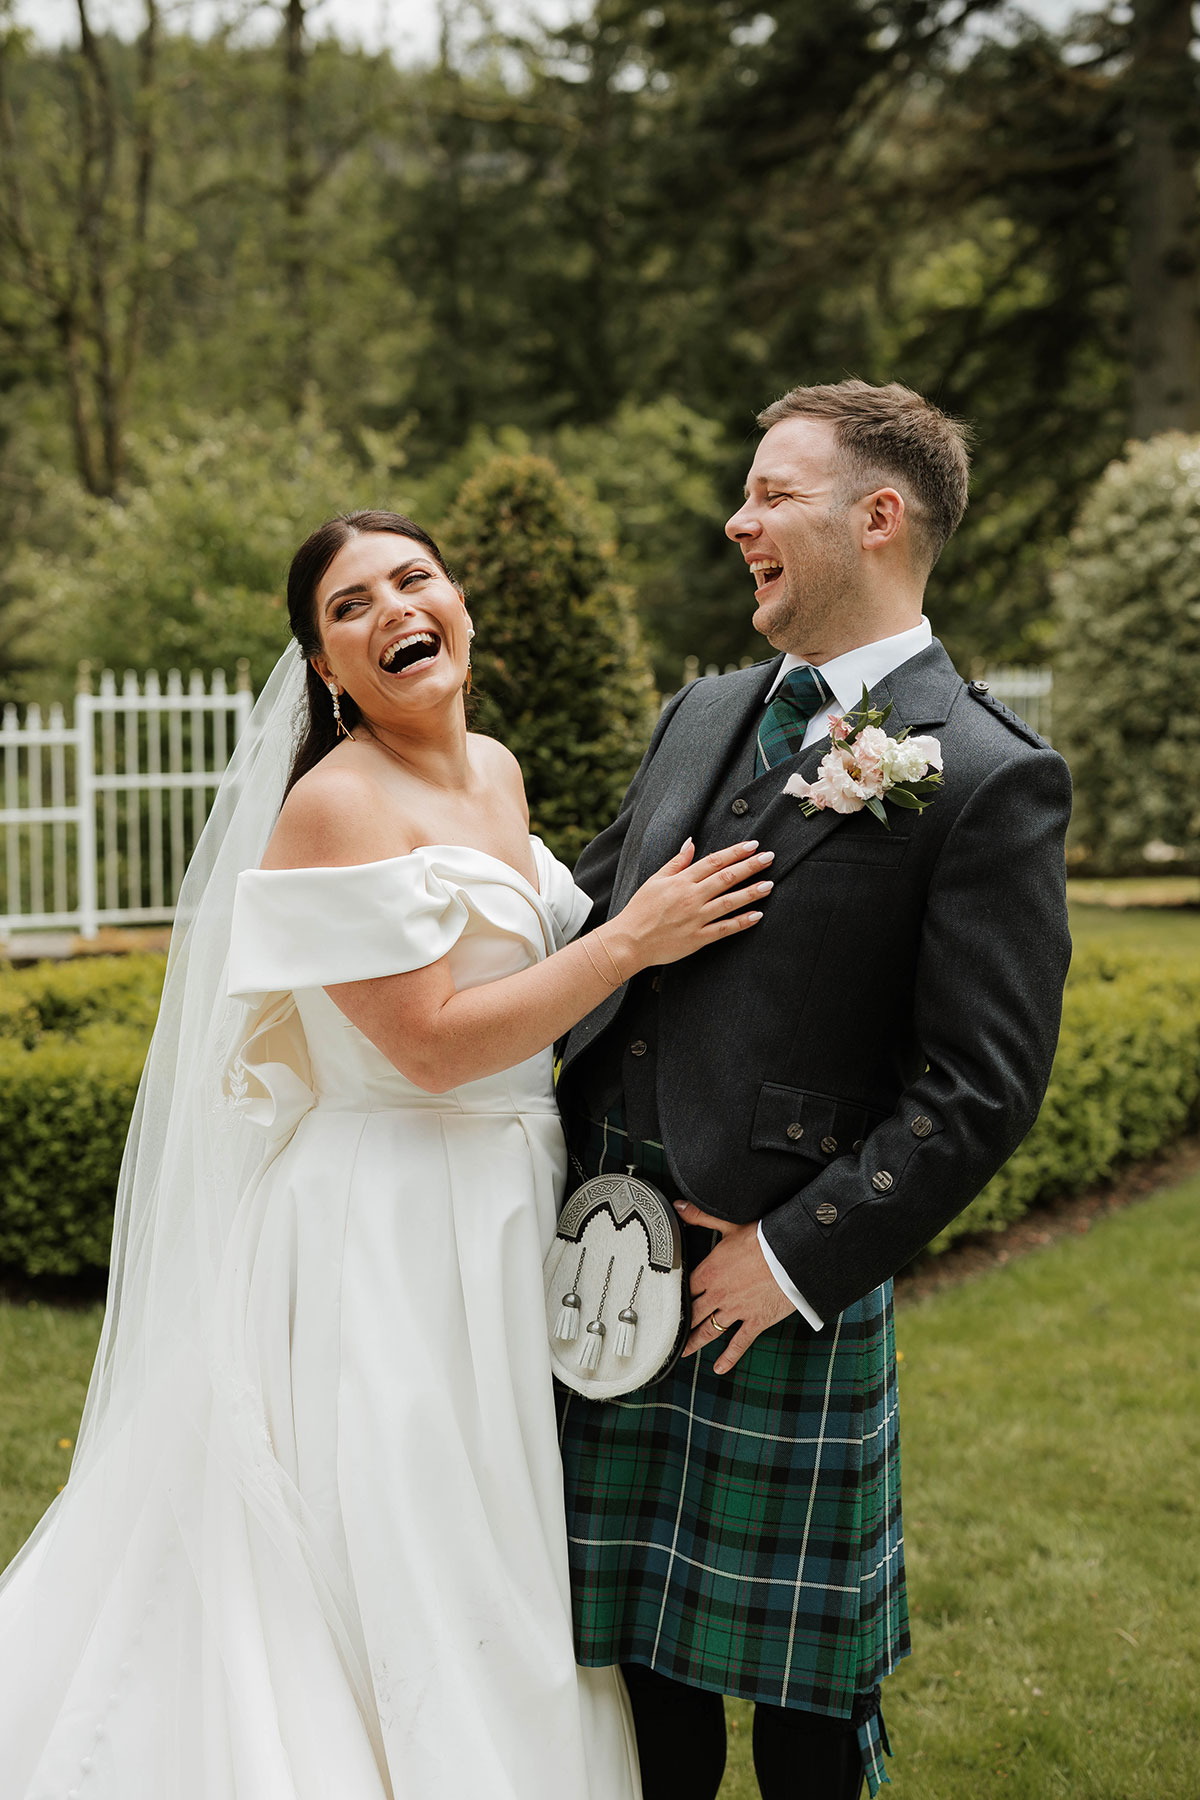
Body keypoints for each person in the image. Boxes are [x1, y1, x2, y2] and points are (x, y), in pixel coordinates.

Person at [0, 509, 773, 1800]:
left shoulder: (499, 771)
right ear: (323, 667)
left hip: (509, 1203)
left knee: (504, 1543)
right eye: (348, 607)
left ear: (458, 605)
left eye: (412, 580)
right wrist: (635, 939)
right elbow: (427, 1045)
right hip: (387, 1227)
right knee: (408, 1536)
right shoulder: (335, 804)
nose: (390, 611)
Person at [555, 381, 1073, 1800]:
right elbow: (581, 918)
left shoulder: (982, 774)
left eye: (772, 494)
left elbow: (981, 1086)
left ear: (878, 516)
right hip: (602, 1261)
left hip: (770, 1280)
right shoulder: (705, 711)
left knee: (805, 1697)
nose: (739, 522)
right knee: (638, 1662)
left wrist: (790, 1263)